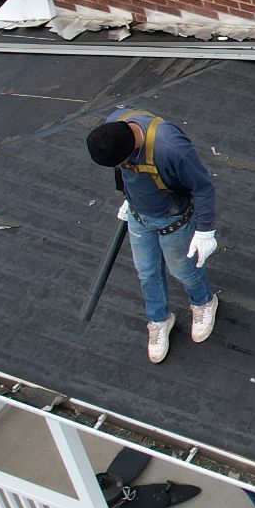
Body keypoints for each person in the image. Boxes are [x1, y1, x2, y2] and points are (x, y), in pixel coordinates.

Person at [86, 108, 220, 364]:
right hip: (139, 217)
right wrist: (128, 198)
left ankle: (203, 302)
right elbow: (122, 171)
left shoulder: (171, 148)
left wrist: (205, 231)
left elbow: (202, 188)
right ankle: (159, 319)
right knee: (146, 272)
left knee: (183, 270)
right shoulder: (114, 125)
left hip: (174, 221)